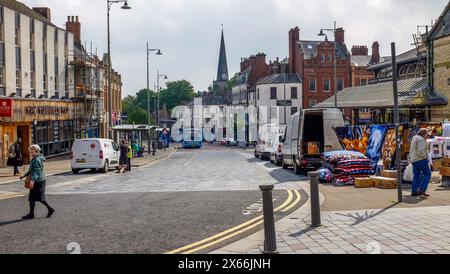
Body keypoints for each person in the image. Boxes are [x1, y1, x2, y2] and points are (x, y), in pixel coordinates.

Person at [20, 145, 55, 220]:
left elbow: (37, 171)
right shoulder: (35, 158)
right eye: (30, 149)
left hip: (39, 181)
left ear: (37, 150)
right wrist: (24, 175)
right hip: (37, 180)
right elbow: (31, 171)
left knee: (41, 198)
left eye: (33, 149)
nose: (31, 151)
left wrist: (33, 180)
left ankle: (50, 209)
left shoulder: (37, 159)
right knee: (32, 198)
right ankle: (31, 214)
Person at [409, 128, 432, 197]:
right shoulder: (421, 139)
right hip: (421, 159)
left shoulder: (414, 137)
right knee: (427, 173)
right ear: (424, 134)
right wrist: (425, 157)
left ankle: (414, 191)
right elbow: (421, 151)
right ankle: (422, 189)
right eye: (426, 135)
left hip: (414, 159)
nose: (427, 136)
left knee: (416, 176)